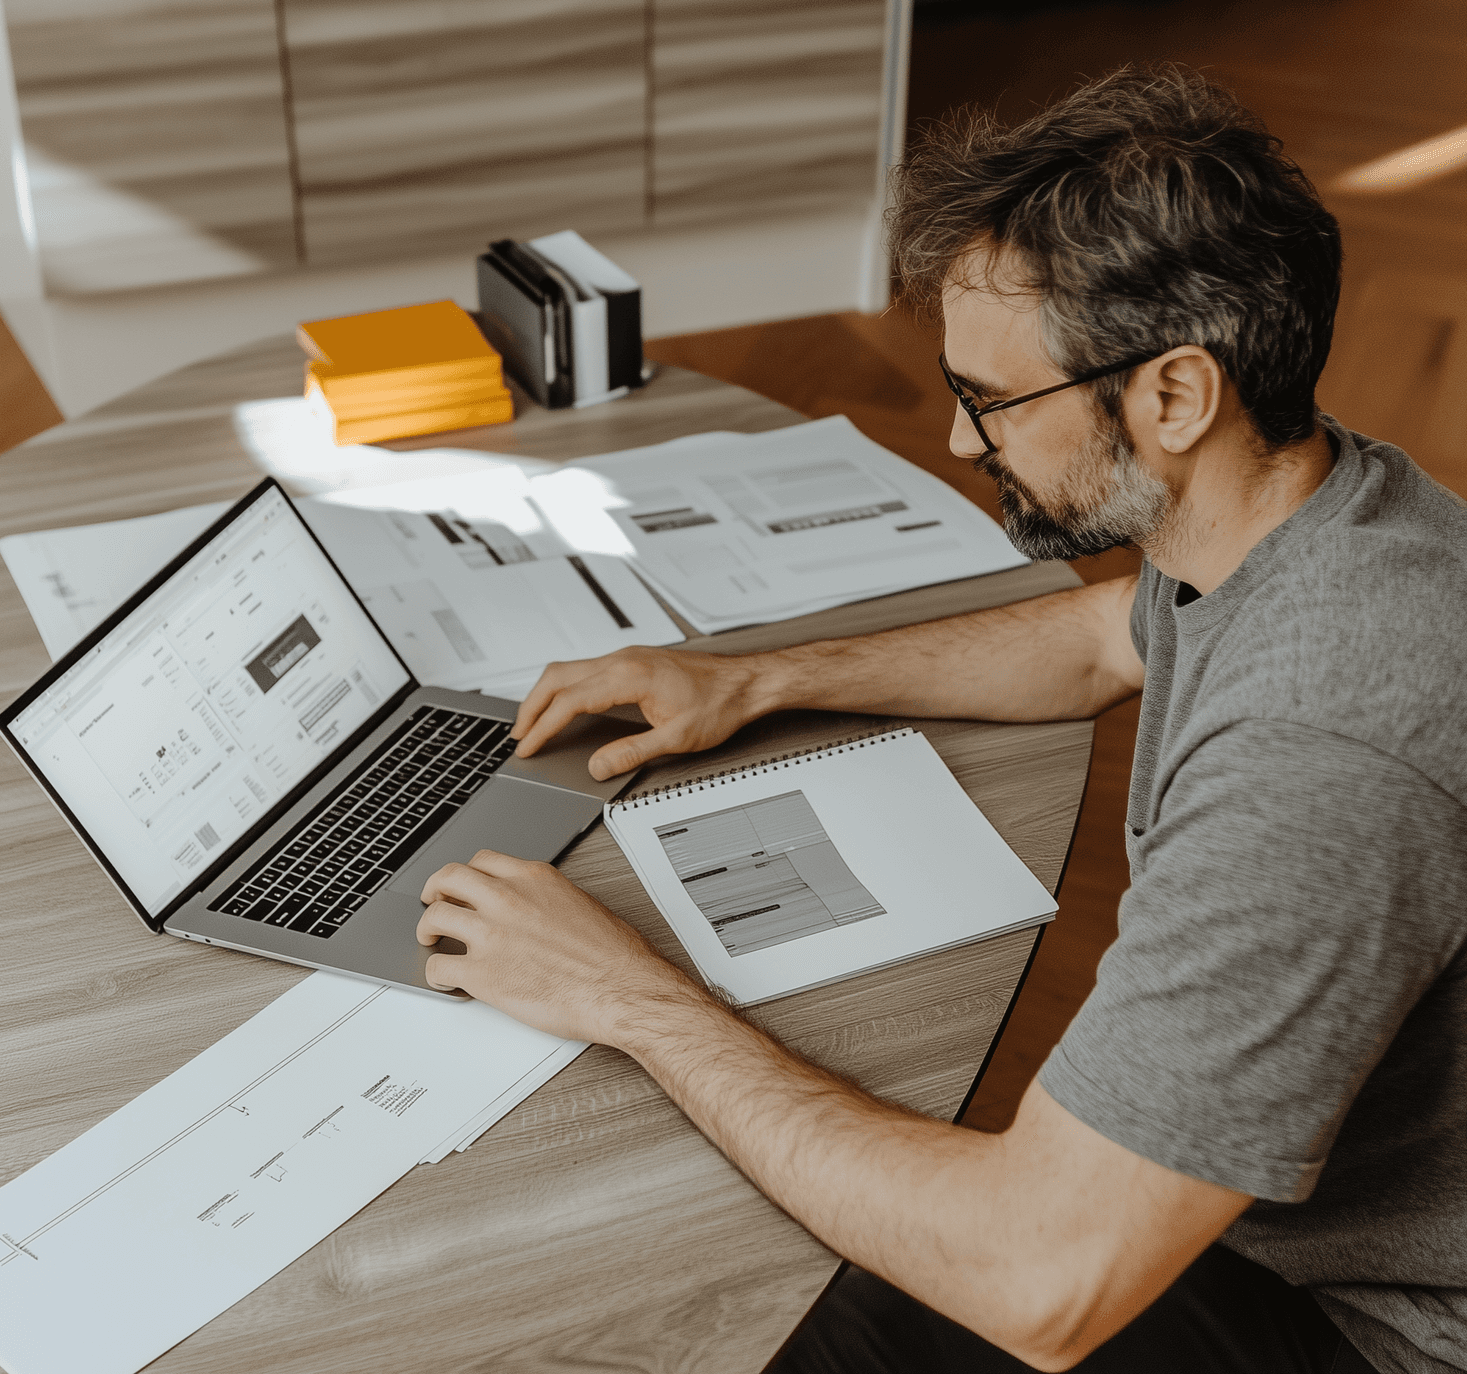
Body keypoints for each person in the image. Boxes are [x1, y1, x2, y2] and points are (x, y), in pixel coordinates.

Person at [414, 66, 1467, 1373]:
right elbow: (1102, 637)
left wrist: (627, 997)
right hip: (1260, 1223)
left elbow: (1042, 1278)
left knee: (784, 1308)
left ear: (1178, 395)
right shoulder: (1305, 507)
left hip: (1360, 1329)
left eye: (994, 401)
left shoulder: (1319, 761)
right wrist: (760, 679)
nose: (965, 444)